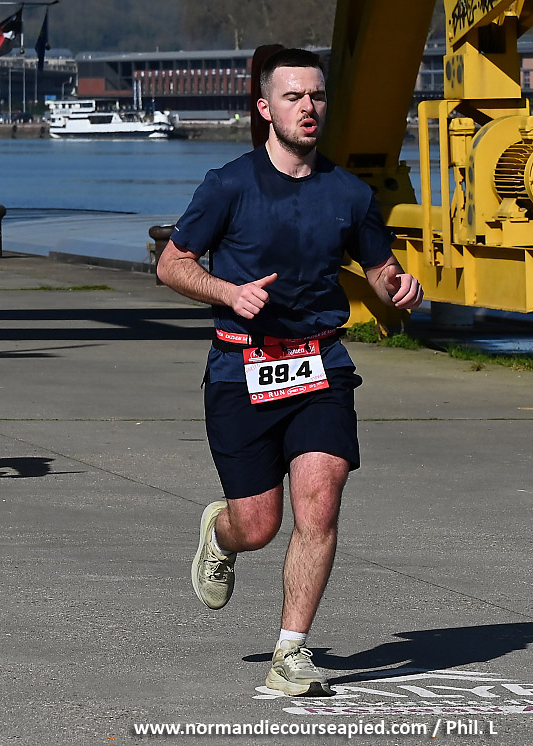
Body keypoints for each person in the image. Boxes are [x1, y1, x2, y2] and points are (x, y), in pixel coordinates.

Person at [157, 48, 423, 697]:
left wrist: (398, 287)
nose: (308, 107)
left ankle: (291, 652)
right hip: (241, 366)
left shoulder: (349, 193)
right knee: (258, 525)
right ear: (265, 108)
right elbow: (172, 263)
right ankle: (222, 535)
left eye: (316, 96)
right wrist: (229, 292)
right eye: (293, 96)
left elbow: (379, 270)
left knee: (321, 502)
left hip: (320, 363)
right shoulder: (228, 185)